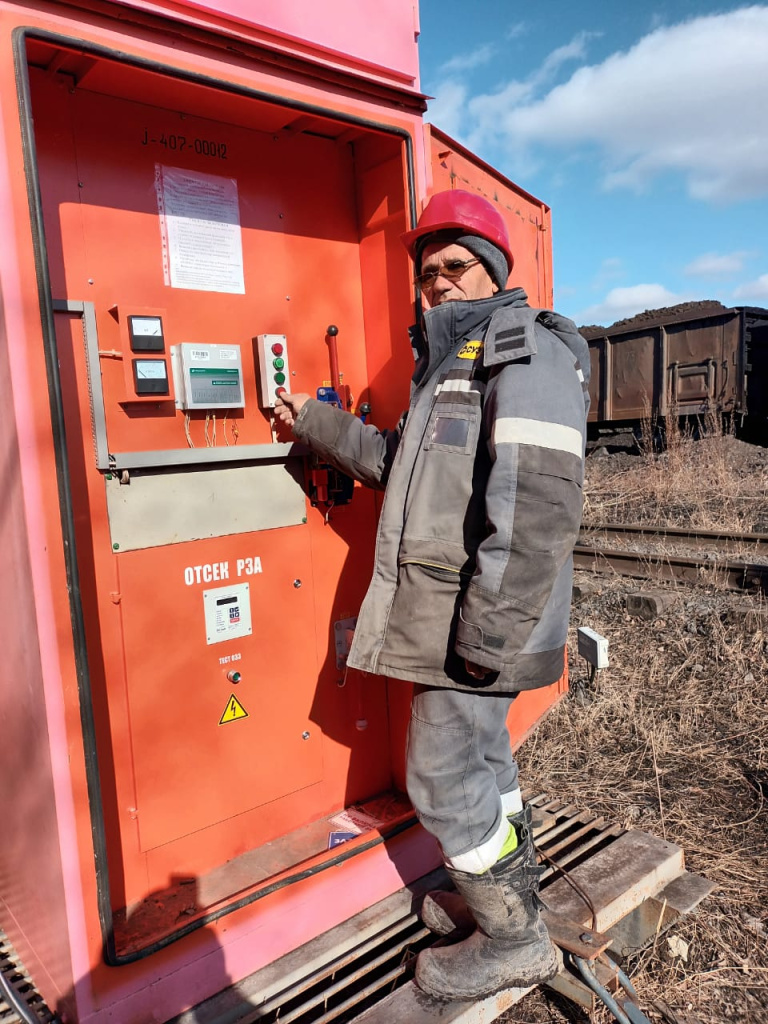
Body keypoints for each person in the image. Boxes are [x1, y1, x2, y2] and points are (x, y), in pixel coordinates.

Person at [274, 189, 590, 1001]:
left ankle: (514, 940)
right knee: (485, 760)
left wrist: (487, 637)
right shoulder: (448, 366)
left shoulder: (524, 354)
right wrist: (311, 421)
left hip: (482, 624)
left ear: (492, 271)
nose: (440, 283)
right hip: (463, 622)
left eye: (456, 267)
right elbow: (397, 466)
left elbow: (538, 506)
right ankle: (510, 900)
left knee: (443, 774)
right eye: (428, 274)